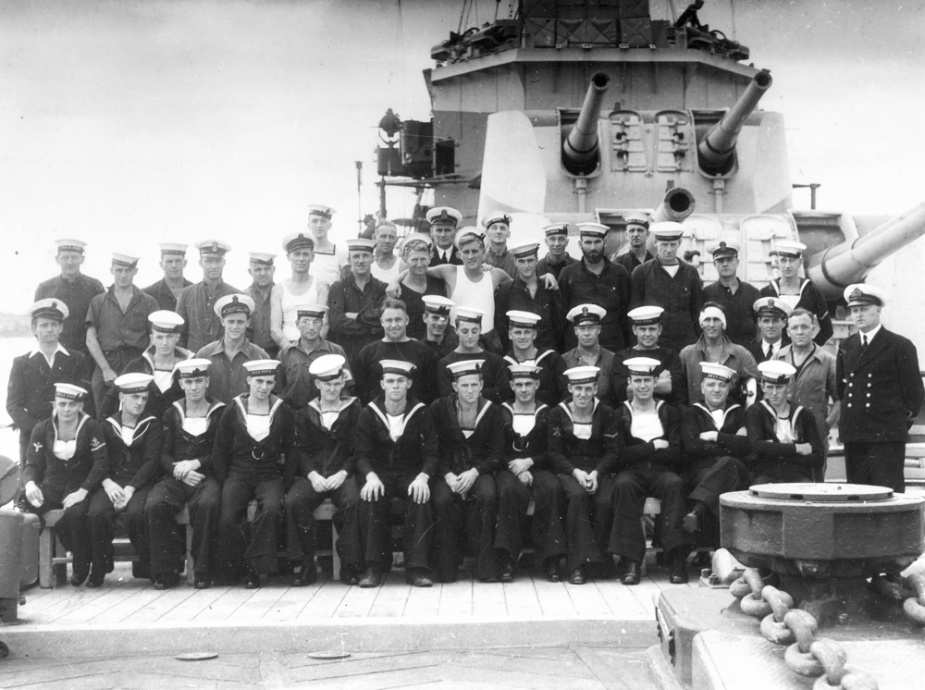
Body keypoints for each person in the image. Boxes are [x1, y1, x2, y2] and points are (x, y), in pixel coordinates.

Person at [355, 360, 438, 588]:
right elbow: (361, 454)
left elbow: (432, 453)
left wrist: (423, 477)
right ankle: (374, 567)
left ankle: (417, 568)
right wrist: (370, 476)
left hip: (410, 472)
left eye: (400, 381)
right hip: (380, 473)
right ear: (382, 384)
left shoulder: (421, 412)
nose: (395, 386)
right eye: (390, 381)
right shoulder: (368, 413)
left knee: (420, 496)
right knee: (371, 497)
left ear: (409, 383)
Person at [213, 360, 296, 588]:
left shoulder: (282, 409)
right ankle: (235, 568)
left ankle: (255, 570)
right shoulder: (233, 408)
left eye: (269, 382)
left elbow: (292, 450)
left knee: (270, 509)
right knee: (229, 515)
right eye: (259, 381)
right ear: (248, 380)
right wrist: (225, 483)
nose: (264, 387)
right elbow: (219, 451)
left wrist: (284, 484)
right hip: (238, 472)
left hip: (269, 474)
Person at [611, 358, 693, 585]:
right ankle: (631, 562)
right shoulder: (620, 413)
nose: (643, 386)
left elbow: (677, 453)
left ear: (656, 381)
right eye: (637, 381)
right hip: (632, 472)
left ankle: (675, 558)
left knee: (675, 485)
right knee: (623, 485)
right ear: (630, 382)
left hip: (661, 471)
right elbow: (618, 456)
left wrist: (637, 451)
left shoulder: (669, 412)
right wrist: (654, 446)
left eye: (647, 380)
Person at [144, 359, 225, 590]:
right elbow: (162, 454)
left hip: (206, 476)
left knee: (209, 504)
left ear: (207, 382)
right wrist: (178, 471)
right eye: (189, 382)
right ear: (181, 383)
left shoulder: (220, 412)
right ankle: (166, 571)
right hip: (177, 476)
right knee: (155, 503)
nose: (194, 387)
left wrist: (195, 463)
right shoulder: (171, 413)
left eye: (199, 381)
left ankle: (202, 570)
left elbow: (222, 453)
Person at [836, 284, 923, 493]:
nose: (858, 315)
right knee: (857, 495)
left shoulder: (899, 345)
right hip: (854, 432)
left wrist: (898, 422)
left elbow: (914, 392)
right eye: (855, 310)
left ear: (878, 310)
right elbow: (841, 388)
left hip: (886, 433)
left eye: (864, 309)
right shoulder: (846, 346)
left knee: (887, 492)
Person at [285, 354, 362, 586]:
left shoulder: (355, 409)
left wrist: (344, 473)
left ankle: (349, 564)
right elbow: (300, 450)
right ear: (318, 384)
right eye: (327, 384)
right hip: (315, 474)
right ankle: (307, 564)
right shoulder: (304, 412)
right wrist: (312, 475)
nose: (333, 389)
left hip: (343, 473)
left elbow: (359, 448)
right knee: (294, 501)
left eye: (337, 384)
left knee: (353, 501)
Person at [21, 383, 107, 587]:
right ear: (55, 404)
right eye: (62, 404)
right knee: (26, 503)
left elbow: (101, 463)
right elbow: (32, 464)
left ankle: (80, 565)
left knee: (76, 515)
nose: (66, 409)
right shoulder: (42, 428)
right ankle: (28, 569)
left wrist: (83, 491)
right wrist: (30, 484)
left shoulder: (91, 426)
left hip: (81, 484)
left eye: (72, 404)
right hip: (53, 483)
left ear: (80, 405)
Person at [430, 360, 506, 582]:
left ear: (482, 385)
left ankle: (485, 567)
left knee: (487, 495)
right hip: (447, 472)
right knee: (442, 499)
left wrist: (475, 471)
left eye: (474, 385)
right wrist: (447, 475)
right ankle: (446, 569)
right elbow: (434, 449)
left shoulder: (492, 411)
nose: (470, 390)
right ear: (455, 387)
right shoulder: (439, 408)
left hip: (479, 471)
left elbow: (497, 454)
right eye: (464, 386)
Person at [89, 373, 162, 587]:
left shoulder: (152, 425)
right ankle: (101, 566)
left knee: (137, 514)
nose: (140, 402)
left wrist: (130, 488)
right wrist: (107, 482)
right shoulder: (106, 424)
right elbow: (97, 459)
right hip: (111, 482)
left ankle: (149, 566)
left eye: (144, 398)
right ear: (122, 397)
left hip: (139, 482)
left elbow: (151, 462)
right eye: (135, 397)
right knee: (96, 513)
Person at [548, 365, 619, 585]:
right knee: (577, 498)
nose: (582, 394)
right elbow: (554, 453)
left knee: (605, 501)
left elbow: (613, 451)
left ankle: (600, 561)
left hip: (599, 469)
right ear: (570, 388)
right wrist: (576, 472)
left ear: (595, 388)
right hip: (569, 470)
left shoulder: (606, 412)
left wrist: (597, 473)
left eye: (588, 389)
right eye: (578, 389)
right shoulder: (557, 413)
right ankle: (576, 565)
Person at [499, 364, 567, 581]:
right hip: (509, 468)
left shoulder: (549, 412)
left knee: (552, 489)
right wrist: (516, 468)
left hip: (539, 466)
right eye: (518, 384)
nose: (524, 389)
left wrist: (529, 462)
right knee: (508, 491)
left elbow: (553, 451)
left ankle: (551, 559)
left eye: (528, 384)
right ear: (511, 385)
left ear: (537, 384)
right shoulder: (501, 411)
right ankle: (507, 559)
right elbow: (494, 450)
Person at [7, 299, 91, 464]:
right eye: (44, 325)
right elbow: (13, 405)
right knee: (31, 485)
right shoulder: (21, 363)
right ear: (34, 328)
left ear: (61, 328)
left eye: (54, 324)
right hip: (33, 436)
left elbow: (85, 400)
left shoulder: (77, 359)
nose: (49, 329)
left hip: (69, 436)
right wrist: (39, 430)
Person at [679, 362, 751, 547]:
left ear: (729, 389)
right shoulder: (691, 413)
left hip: (736, 470)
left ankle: (697, 511)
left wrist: (714, 436)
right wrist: (730, 441)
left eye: (722, 385)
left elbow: (747, 446)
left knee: (729, 463)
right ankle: (723, 552)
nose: (716, 390)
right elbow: (691, 446)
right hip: (702, 472)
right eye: (711, 385)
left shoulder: (740, 413)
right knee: (723, 478)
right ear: (702, 387)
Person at [412, 228, 514, 354]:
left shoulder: (495, 274)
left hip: (488, 343)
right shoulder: (450, 271)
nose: (470, 256)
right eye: (466, 252)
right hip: (455, 342)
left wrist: (545, 277)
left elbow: (519, 286)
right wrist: (395, 281)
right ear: (459, 254)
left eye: (475, 251)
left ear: (483, 252)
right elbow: (417, 269)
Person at [85, 252, 159, 413]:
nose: (123, 275)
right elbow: (90, 339)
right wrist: (105, 369)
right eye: (119, 270)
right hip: (106, 362)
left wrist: (142, 366)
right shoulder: (98, 301)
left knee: (138, 412)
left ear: (135, 271)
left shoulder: (148, 302)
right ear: (112, 270)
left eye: (127, 271)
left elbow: (155, 339)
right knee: (104, 415)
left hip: (137, 362)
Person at [98, 310, 190, 421]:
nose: (164, 343)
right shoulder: (137, 366)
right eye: (159, 337)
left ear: (177, 337)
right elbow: (112, 398)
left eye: (169, 337)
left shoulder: (187, 368)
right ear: (152, 339)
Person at [630, 222, 704, 354]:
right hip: (654, 344)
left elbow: (697, 310)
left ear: (679, 243)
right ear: (655, 243)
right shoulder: (641, 272)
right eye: (664, 244)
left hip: (686, 343)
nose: (669, 249)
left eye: (673, 244)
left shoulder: (690, 273)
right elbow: (635, 310)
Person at [777, 308, 840, 461]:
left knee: (814, 482)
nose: (799, 332)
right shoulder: (778, 358)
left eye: (804, 327)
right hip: (782, 436)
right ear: (787, 332)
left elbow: (839, 400)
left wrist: (825, 427)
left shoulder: (829, 361)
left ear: (813, 330)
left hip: (815, 436)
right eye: (794, 328)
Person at [747, 360, 824, 484]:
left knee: (805, 494)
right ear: (762, 386)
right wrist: (796, 448)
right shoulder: (756, 411)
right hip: (767, 474)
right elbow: (756, 446)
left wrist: (773, 450)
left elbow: (818, 457)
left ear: (787, 388)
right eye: (770, 387)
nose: (774, 393)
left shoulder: (804, 414)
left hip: (797, 474)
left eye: (779, 387)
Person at [558, 223, 632, 352]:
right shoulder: (568, 274)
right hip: (578, 348)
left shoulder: (619, 272)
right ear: (580, 244)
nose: (593, 247)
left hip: (613, 347)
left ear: (605, 243)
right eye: (588, 242)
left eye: (597, 242)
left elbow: (625, 314)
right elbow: (561, 316)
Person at [353, 298, 438, 404]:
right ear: (381, 322)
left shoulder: (424, 352)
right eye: (389, 320)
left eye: (398, 320)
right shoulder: (367, 353)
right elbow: (361, 393)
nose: (393, 325)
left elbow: (431, 393)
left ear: (406, 320)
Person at [34, 238, 104, 360]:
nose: (70, 262)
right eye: (65, 257)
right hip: (56, 355)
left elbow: (104, 322)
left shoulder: (94, 286)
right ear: (57, 260)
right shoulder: (45, 288)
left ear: (82, 259)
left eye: (74, 257)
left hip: (88, 356)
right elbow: (37, 325)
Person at [678, 304, 759, 407]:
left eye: (716, 320)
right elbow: (678, 391)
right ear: (701, 324)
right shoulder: (687, 354)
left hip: (729, 417)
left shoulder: (740, 354)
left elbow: (759, 383)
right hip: (695, 417)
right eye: (707, 320)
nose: (711, 324)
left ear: (723, 324)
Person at [195, 294, 270, 405]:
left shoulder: (260, 356)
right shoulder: (204, 355)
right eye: (231, 321)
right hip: (214, 418)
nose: (235, 326)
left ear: (248, 322)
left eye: (240, 322)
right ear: (222, 321)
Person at [275, 304, 352, 410]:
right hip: (292, 415)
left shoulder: (335, 351)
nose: (311, 327)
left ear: (321, 325)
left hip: (324, 414)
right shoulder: (285, 354)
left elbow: (346, 388)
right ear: (297, 324)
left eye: (316, 322)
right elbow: (277, 391)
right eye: (306, 322)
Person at [494, 242, 565, 353]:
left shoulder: (549, 288)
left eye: (530, 260)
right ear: (515, 263)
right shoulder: (506, 291)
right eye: (521, 261)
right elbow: (502, 329)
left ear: (537, 260)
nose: (526, 266)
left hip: (547, 355)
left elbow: (559, 326)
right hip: (519, 356)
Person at [760, 240, 833, 346]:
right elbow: (756, 328)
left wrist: (809, 348)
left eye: (792, 260)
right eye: (783, 260)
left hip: (802, 357)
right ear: (777, 262)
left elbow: (827, 330)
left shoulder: (813, 292)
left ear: (800, 262)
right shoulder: (766, 293)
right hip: (774, 356)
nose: (787, 265)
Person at [327, 238, 388, 365]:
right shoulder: (338, 288)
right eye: (356, 256)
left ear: (372, 259)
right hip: (346, 354)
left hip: (374, 354)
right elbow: (336, 322)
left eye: (365, 256)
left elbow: (384, 319)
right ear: (349, 260)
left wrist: (356, 317)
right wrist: (369, 328)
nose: (360, 261)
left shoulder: (382, 288)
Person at [175, 240, 240, 353]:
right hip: (194, 361)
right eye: (209, 261)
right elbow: (179, 334)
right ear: (200, 262)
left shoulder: (236, 296)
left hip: (225, 360)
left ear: (224, 262)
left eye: (218, 261)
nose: (214, 266)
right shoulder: (186, 294)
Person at [270, 232, 331, 353]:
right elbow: (275, 329)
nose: (301, 259)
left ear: (312, 257)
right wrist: (291, 350)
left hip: (315, 348)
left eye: (305, 254)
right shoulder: (278, 289)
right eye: (297, 254)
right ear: (289, 256)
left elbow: (324, 323)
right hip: (287, 348)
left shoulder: (321, 286)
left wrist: (310, 350)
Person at [437, 307, 511, 404]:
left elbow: (503, 392)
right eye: (465, 331)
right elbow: (448, 399)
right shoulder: (445, 363)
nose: (470, 336)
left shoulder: (495, 360)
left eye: (474, 331)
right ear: (456, 330)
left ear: (481, 330)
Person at [613, 306, 683, 406]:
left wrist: (635, 386)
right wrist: (659, 384)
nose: (648, 334)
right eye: (642, 329)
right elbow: (622, 392)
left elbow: (673, 387)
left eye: (652, 329)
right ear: (634, 330)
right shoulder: (622, 357)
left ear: (660, 330)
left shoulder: (670, 356)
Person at [701, 241, 760, 347]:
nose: (725, 264)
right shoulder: (707, 293)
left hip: (747, 356)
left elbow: (760, 328)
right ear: (714, 264)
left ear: (737, 262)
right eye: (720, 260)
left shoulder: (752, 292)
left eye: (729, 259)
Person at [501, 310, 566, 406]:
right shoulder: (504, 364)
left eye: (527, 332)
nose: (522, 337)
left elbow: (565, 394)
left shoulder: (552, 359)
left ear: (534, 334)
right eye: (518, 332)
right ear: (510, 334)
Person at [561, 304, 616, 407]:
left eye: (591, 328)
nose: (586, 333)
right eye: (582, 328)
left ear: (599, 329)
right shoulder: (564, 360)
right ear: (575, 331)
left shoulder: (612, 359)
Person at [243, 252, 278, 359]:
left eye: (267, 269)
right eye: (258, 270)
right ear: (250, 271)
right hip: (251, 356)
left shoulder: (282, 294)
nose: (263, 273)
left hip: (278, 355)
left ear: (274, 269)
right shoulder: (244, 297)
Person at [305, 204, 348, 288]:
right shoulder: (302, 253)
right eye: (315, 221)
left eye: (323, 221)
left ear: (330, 225)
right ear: (308, 225)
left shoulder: (340, 252)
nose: (319, 225)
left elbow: (347, 286)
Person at [143, 243, 192, 311]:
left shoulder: (195, 292)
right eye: (169, 261)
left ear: (184, 263)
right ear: (161, 264)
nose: (174, 265)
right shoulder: (148, 294)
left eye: (178, 261)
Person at [746, 297, 792, 364]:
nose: (770, 325)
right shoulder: (748, 352)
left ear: (784, 323)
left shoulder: (791, 351)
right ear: (759, 322)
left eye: (775, 321)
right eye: (766, 321)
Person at [481, 211, 516, 278]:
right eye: (494, 228)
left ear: (508, 234)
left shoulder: (515, 260)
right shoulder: (480, 259)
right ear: (487, 233)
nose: (498, 231)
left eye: (502, 228)